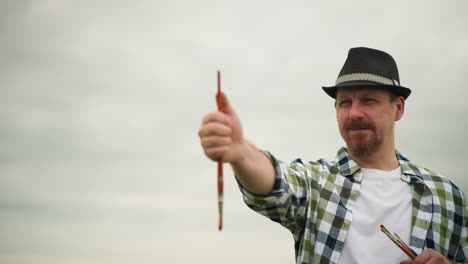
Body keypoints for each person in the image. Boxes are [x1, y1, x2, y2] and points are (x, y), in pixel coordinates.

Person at [198, 47, 467, 264]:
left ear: (398, 108)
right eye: (345, 103)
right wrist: (241, 152)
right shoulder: (317, 182)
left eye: (369, 100)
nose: (354, 113)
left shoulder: (447, 196)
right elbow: (276, 184)